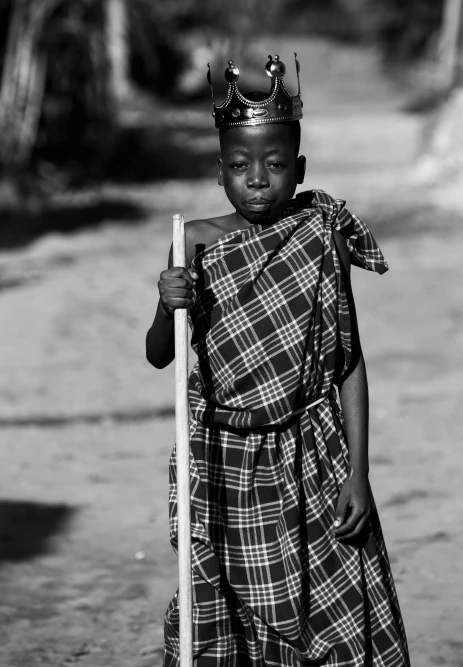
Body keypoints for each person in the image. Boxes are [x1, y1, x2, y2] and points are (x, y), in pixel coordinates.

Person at [146, 54, 410, 667]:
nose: (257, 179)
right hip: (221, 459)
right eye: (239, 166)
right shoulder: (194, 242)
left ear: (300, 168)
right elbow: (160, 355)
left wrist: (359, 472)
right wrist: (167, 304)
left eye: (275, 164)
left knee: (334, 601)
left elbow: (348, 362)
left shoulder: (321, 240)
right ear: (220, 172)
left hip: (312, 453)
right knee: (227, 611)